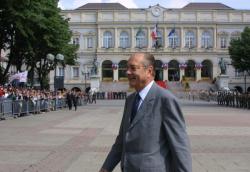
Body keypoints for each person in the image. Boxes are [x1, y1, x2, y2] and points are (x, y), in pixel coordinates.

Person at [99, 52, 192, 172]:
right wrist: (105, 168)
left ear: (149, 71)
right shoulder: (130, 99)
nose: (127, 72)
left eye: (133, 68)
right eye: (127, 68)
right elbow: (121, 141)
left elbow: (180, 147)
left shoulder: (165, 99)